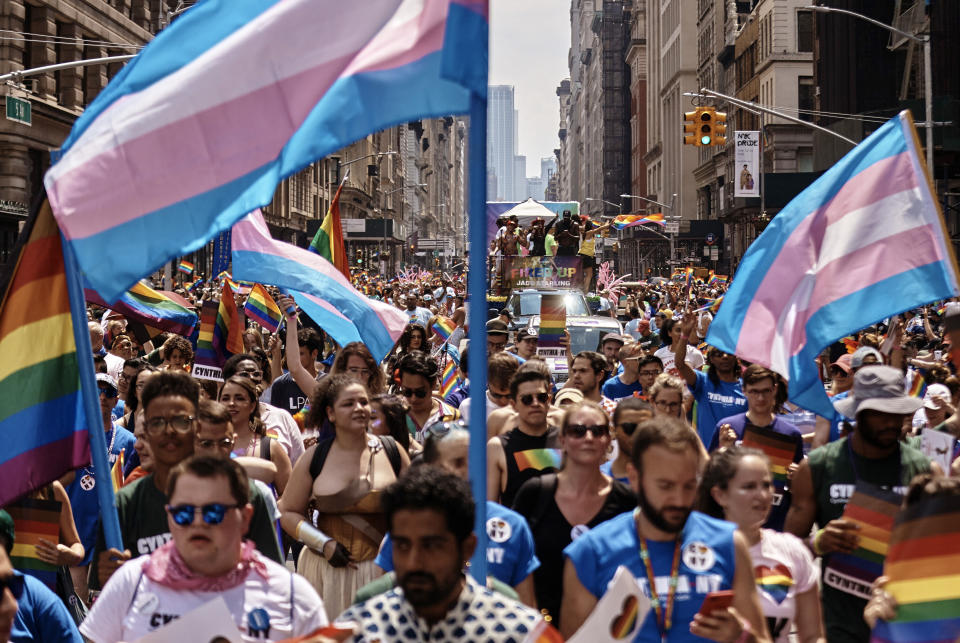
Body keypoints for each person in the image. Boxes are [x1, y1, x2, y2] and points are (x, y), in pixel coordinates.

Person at [561, 417, 771, 642]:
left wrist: (742, 637)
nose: (679, 500)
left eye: (689, 485)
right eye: (666, 486)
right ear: (634, 478)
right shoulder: (590, 553)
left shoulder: (728, 543)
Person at [81, 457, 328, 642]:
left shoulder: (293, 596)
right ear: (169, 518)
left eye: (213, 512)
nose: (197, 522)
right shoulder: (131, 582)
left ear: (245, 517)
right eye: (184, 513)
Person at [92, 371, 282, 591]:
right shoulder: (125, 505)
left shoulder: (245, 497)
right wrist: (117, 582)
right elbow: (106, 600)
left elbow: (273, 584)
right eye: (157, 422)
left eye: (180, 421)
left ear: (197, 427)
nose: (169, 432)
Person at [784, 366, 934, 643]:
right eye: (880, 414)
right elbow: (784, 553)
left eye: (897, 412)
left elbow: (939, 553)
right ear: (858, 413)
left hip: (906, 621)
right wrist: (818, 543)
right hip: (840, 623)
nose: (892, 422)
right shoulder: (817, 467)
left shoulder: (924, 471)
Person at [337, 466, 553, 641]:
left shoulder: (521, 634)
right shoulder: (358, 631)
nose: (414, 563)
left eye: (431, 546)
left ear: (467, 548)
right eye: (403, 546)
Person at [279, 374, 410, 621]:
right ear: (330, 413)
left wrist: (394, 544)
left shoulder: (392, 451)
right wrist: (322, 543)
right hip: (324, 574)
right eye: (348, 404)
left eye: (363, 402)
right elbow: (287, 511)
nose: (359, 408)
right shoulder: (313, 457)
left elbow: (417, 509)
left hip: (383, 572)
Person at [374, 422, 539, 605]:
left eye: (475, 461)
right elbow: (383, 602)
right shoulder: (408, 528)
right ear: (431, 468)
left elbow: (527, 612)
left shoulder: (513, 526)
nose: (470, 471)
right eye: (458, 463)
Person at [512, 402, 636, 625]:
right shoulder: (534, 493)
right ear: (562, 440)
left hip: (609, 630)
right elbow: (515, 562)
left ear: (608, 440)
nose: (588, 437)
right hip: (540, 629)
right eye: (578, 431)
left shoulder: (628, 501)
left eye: (597, 431)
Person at [696, 448, 825, 643]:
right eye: (749, 487)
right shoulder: (695, 554)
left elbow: (813, 637)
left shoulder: (792, 551)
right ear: (720, 495)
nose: (763, 495)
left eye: (766, 485)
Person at [64, 373, 136, 601]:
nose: (102, 397)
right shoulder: (69, 437)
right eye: (96, 391)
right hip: (74, 528)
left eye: (109, 393)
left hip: (108, 532)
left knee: (102, 602)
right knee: (76, 601)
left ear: (117, 400)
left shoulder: (129, 441)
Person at [710, 365, 804, 531]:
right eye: (754, 391)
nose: (760, 398)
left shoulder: (791, 434)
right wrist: (724, 450)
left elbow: (800, 491)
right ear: (744, 390)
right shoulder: (726, 428)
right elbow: (709, 480)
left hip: (777, 528)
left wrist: (796, 478)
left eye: (765, 391)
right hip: (734, 527)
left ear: (774, 390)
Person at [0, 512, 81, 642]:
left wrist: (72, 555)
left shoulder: (36, 596)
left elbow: (77, 545)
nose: (12, 605)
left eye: (12, 586)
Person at [487, 367, 559, 506]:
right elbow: (491, 507)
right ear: (514, 405)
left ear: (549, 400)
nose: (535, 403)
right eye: (527, 399)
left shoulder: (566, 440)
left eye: (541, 397)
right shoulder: (497, 447)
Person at [676, 315, 747, 446]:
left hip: (736, 458)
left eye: (729, 353)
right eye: (719, 354)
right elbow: (680, 364)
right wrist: (685, 335)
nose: (724, 357)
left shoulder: (747, 389)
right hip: (707, 456)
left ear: (736, 358)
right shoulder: (703, 383)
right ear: (711, 360)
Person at [219, 375, 291, 494]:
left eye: (239, 398)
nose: (231, 403)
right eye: (225, 398)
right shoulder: (206, 444)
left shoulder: (270, 447)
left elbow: (288, 499)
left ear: (252, 406)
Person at [396, 351, 459, 443]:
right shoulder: (394, 416)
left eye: (420, 392)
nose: (413, 398)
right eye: (407, 392)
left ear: (433, 384)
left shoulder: (452, 417)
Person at [602, 397, 654, 483]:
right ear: (614, 430)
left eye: (644, 428)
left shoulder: (666, 476)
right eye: (629, 428)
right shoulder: (599, 477)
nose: (637, 434)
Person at [458, 352, 517, 419]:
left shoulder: (524, 405)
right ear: (488, 383)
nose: (503, 401)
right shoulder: (468, 406)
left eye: (509, 396)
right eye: (496, 395)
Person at [567, 351, 617, 416]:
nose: (576, 376)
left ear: (599, 375)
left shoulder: (614, 412)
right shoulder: (568, 411)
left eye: (583, 371)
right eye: (574, 371)